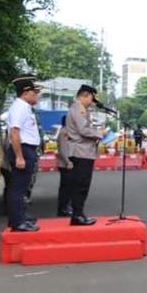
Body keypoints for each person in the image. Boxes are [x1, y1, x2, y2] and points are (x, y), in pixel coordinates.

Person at [63, 84, 106, 226]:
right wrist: (100, 134)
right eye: (91, 98)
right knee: (81, 185)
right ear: (85, 95)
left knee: (82, 184)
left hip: (83, 151)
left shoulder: (79, 109)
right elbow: (83, 130)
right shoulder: (78, 109)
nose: (92, 102)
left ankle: (79, 214)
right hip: (81, 151)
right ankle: (77, 215)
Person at [4, 76, 43, 231]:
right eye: (35, 92)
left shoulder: (24, 107)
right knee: (17, 187)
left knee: (22, 186)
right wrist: (19, 156)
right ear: (25, 92)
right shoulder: (19, 107)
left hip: (27, 149)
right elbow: (14, 132)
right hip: (22, 149)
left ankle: (20, 216)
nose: (37, 95)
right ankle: (17, 221)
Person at [55, 114, 74, 217]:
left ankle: (66, 207)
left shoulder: (67, 131)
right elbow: (62, 149)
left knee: (68, 187)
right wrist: (68, 161)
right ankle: (63, 208)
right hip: (65, 164)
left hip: (66, 163)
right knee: (66, 188)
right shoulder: (64, 132)